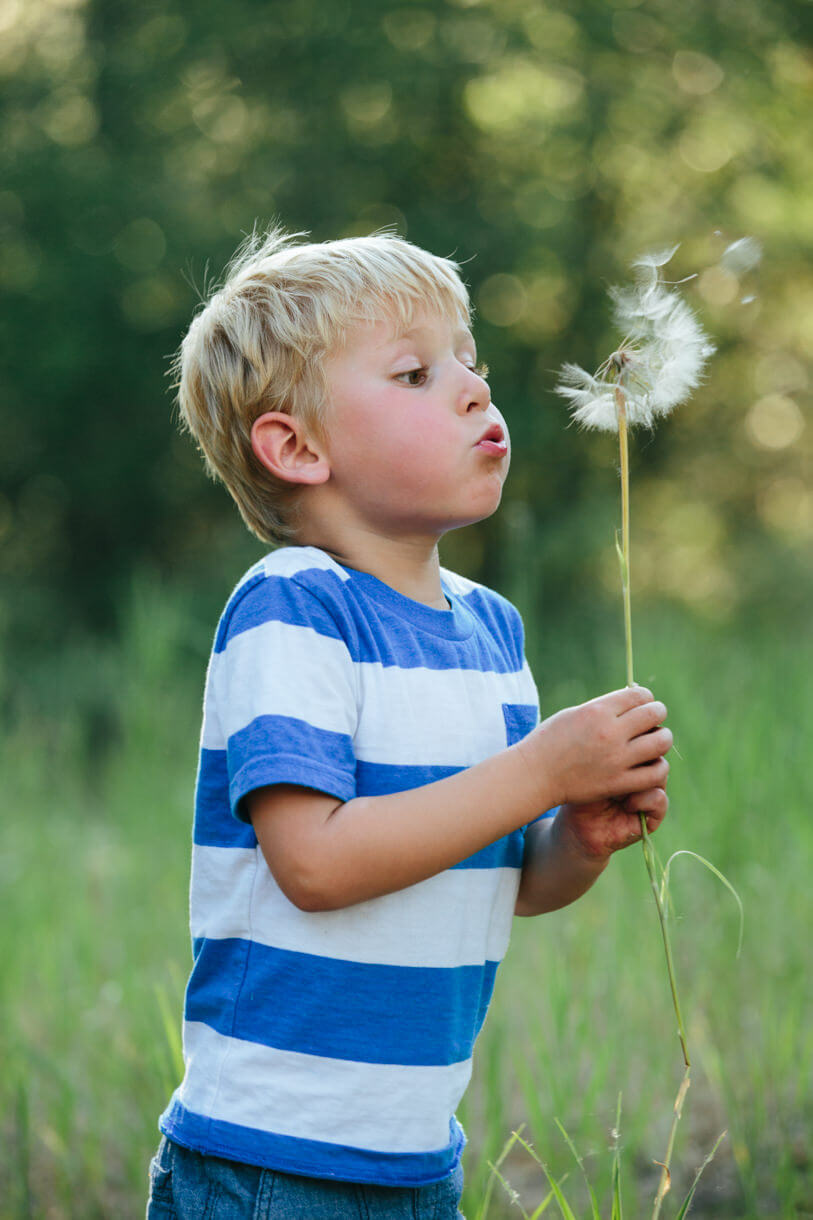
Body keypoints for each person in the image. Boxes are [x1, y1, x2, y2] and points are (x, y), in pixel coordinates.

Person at [147, 229, 671, 1220]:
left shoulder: (490, 629)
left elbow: (499, 877)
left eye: (472, 363)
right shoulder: (295, 607)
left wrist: (578, 838)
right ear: (297, 446)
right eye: (416, 372)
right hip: (275, 1153)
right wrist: (540, 770)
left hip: (414, 1153)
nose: (475, 389)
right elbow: (318, 865)